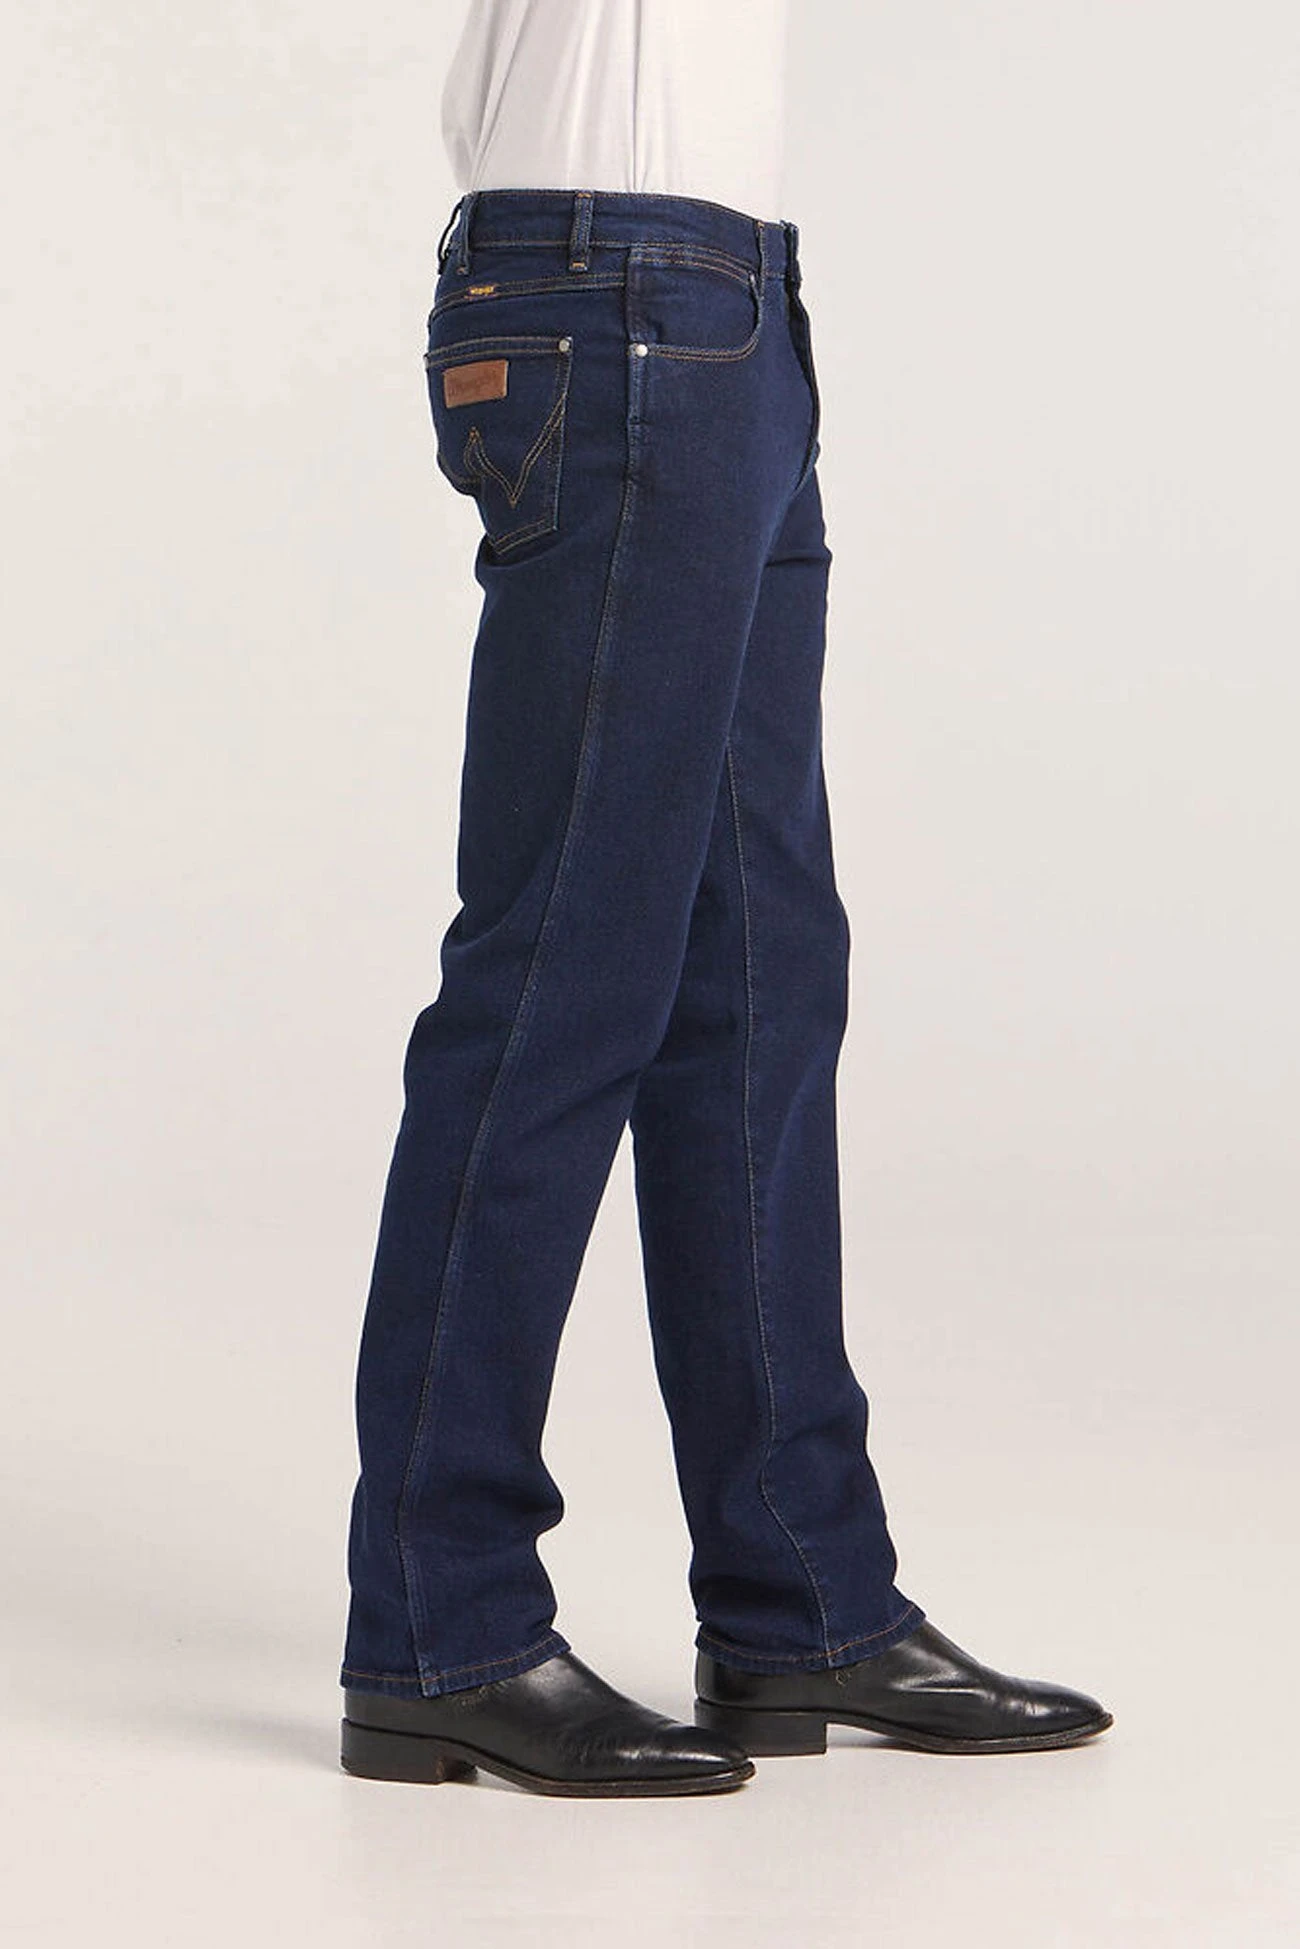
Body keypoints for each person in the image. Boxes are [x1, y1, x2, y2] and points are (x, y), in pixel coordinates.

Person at [338, 0, 1112, 1798]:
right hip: (617, 302)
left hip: (725, 310)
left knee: (758, 985)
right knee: (561, 977)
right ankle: (441, 1627)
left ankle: (801, 1599)